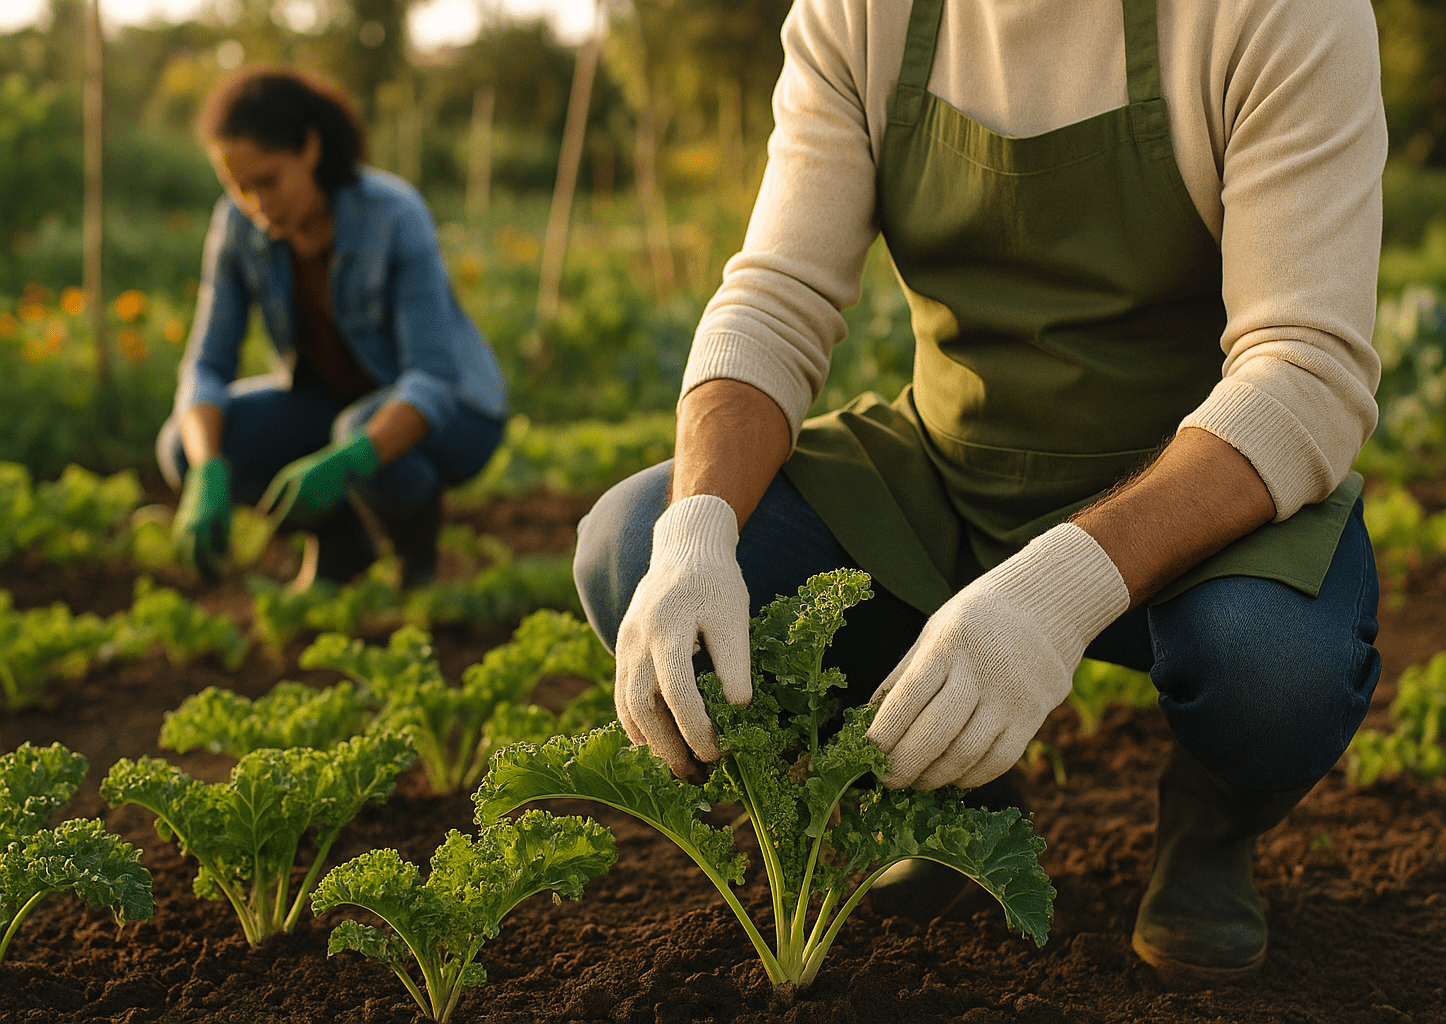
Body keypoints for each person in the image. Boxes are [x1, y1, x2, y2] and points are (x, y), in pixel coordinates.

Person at [575, 0, 1389, 984]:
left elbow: (1302, 366)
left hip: (1196, 503)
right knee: (633, 539)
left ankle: (1212, 820)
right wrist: (698, 529)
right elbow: (776, 297)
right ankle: (951, 785)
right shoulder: (858, 12)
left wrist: (1060, 588)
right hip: (947, 477)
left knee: (1275, 669)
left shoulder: (1275, 14)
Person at [160, 67, 507, 589]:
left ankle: (418, 555)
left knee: (355, 432)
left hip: (460, 414)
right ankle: (342, 547)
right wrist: (208, 468)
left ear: (311, 149)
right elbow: (207, 365)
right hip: (334, 404)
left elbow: (431, 378)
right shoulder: (236, 226)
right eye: (238, 188)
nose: (257, 205)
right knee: (184, 445)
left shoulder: (393, 213)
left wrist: (347, 459)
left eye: (268, 182)